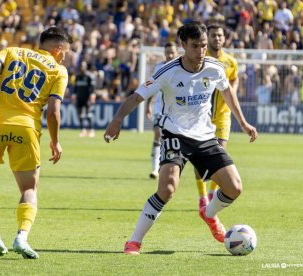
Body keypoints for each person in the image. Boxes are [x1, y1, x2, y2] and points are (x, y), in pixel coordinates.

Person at [104, 21, 258, 255]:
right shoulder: (167, 71)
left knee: (235, 188)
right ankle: (134, 241)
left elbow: (227, 91)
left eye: (204, 46)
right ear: (183, 45)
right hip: (175, 134)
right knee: (167, 189)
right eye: (195, 46)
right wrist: (116, 121)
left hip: (205, 137)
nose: (201, 51)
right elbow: (136, 97)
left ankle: (208, 214)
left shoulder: (215, 68)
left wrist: (244, 123)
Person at [0, 26, 72, 259]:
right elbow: (53, 112)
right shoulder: (59, 70)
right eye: (66, 52)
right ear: (58, 50)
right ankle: (21, 237)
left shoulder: (11, 51)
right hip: (27, 129)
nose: (66, 56)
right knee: (29, 188)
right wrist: (55, 141)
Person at [194, 23, 240, 210]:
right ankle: (202, 195)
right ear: (207, 38)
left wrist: (232, 91)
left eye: (220, 35)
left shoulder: (230, 61)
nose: (217, 39)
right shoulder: (199, 60)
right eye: (214, 35)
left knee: (220, 155)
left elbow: (234, 78)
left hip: (222, 115)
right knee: (199, 159)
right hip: (200, 117)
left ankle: (213, 193)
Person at [145, 42, 179, 179]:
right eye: (167, 52)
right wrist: (148, 104)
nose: (170, 55)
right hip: (160, 108)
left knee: (174, 139)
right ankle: (155, 169)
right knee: (158, 133)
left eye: (172, 52)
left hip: (177, 110)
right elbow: (153, 86)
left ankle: (170, 167)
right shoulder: (159, 67)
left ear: (177, 53)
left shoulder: (181, 67)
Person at [71, 61, 96, 138]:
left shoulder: (89, 76)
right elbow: (75, 87)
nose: (82, 67)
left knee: (88, 114)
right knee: (80, 115)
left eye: (83, 66)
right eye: (81, 66)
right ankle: (83, 130)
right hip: (79, 97)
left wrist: (92, 95)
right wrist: (74, 95)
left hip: (87, 98)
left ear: (86, 67)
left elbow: (92, 88)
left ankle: (91, 130)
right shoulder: (77, 77)